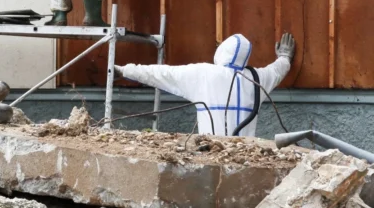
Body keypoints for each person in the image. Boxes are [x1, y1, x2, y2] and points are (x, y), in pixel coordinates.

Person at [114, 32, 296, 136]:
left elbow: (161, 73)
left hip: (210, 153)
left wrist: (124, 70)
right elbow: (278, 70)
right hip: (246, 155)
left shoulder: (204, 73)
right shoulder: (257, 77)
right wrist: (285, 56)